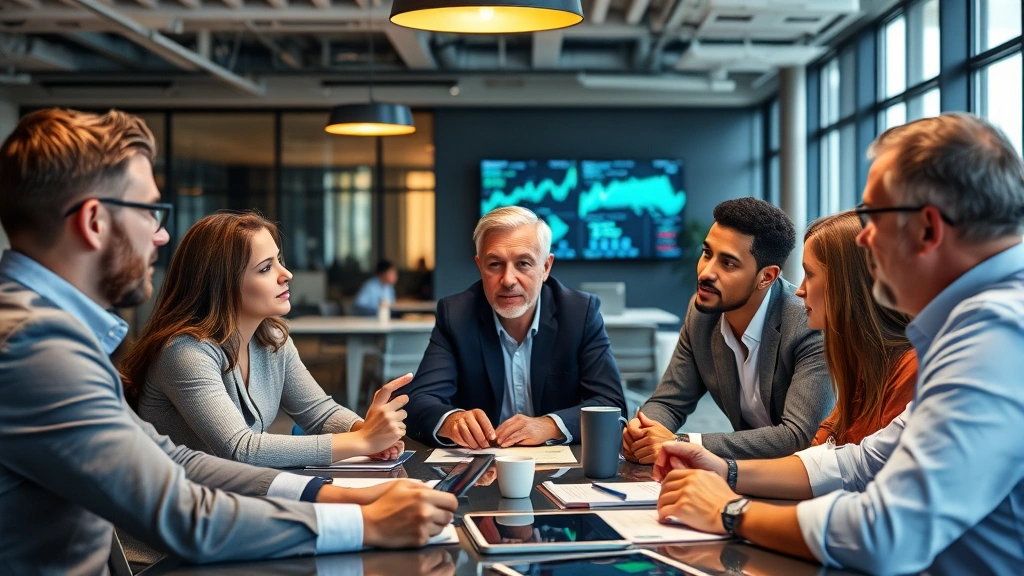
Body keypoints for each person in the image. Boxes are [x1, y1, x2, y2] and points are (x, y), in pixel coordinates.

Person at [0, 108, 457, 573]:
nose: (161, 236)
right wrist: (365, 523)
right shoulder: (35, 347)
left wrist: (329, 493)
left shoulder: (48, 332)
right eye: (150, 212)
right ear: (94, 221)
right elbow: (185, 514)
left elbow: (175, 462)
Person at [653, 113, 1024, 575]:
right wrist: (722, 469)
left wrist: (729, 512)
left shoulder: (997, 334)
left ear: (928, 228)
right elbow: (860, 462)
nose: (864, 240)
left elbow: (886, 532)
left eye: (872, 217)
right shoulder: (973, 323)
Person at [122, 212, 408, 469]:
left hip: (234, 501)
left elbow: (319, 412)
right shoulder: (184, 353)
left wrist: (365, 429)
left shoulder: (272, 338)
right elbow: (241, 449)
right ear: (222, 285)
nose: (287, 275)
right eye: (265, 268)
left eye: (279, 261)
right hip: (180, 517)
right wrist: (362, 442)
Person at [622, 198, 832, 462]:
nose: (706, 272)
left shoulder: (808, 324)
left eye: (728, 264)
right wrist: (643, 431)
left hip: (809, 481)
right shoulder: (702, 313)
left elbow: (798, 436)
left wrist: (681, 443)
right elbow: (669, 401)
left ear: (766, 277)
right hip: (743, 474)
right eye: (707, 253)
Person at [404, 206, 626, 447]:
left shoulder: (579, 313)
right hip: (481, 469)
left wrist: (549, 425)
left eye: (523, 263)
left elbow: (611, 404)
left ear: (545, 267)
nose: (508, 280)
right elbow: (418, 401)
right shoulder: (456, 315)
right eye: (495, 264)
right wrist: (451, 421)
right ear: (480, 266)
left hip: (560, 470)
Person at [796, 211, 917, 446]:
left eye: (809, 274)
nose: (799, 290)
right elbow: (821, 447)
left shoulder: (911, 368)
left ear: (846, 283)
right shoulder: (863, 360)